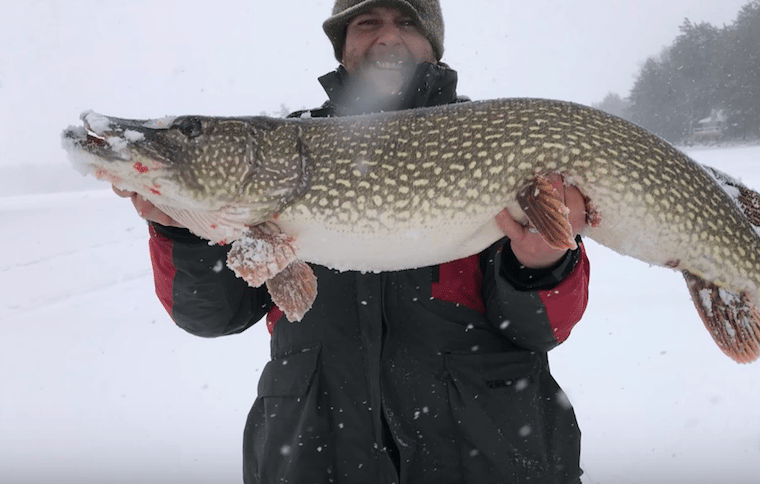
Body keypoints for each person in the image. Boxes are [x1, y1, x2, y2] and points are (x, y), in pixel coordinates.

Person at [114, 1, 592, 482]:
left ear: (433, 44)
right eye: (368, 24)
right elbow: (211, 314)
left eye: (407, 22)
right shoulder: (278, 158)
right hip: (313, 455)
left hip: (487, 455)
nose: (388, 38)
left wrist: (540, 264)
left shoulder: (493, 144)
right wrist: (183, 228)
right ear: (342, 46)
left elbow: (540, 330)